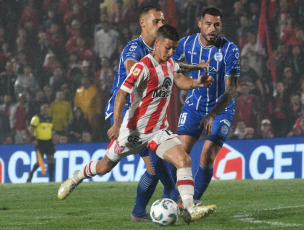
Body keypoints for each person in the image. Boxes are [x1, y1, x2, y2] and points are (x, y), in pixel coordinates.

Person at [58, 25, 216, 224]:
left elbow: (180, 72)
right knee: (104, 166)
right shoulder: (143, 67)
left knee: (184, 161)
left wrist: (197, 81)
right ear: (156, 43)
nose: (171, 53)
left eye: (174, 48)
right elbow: (121, 94)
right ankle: (76, 177)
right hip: (133, 132)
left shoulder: (169, 63)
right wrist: (116, 125)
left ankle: (190, 209)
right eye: (168, 48)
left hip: (158, 131)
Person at [102, 5, 208, 221]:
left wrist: (195, 77)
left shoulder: (165, 49)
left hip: (148, 117)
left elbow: (175, 73)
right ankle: (171, 199)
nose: (161, 24)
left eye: (162, 20)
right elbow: (134, 69)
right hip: (126, 114)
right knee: (154, 166)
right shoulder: (134, 48)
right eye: (156, 21)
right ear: (143, 23)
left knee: (157, 166)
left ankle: (143, 211)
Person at [170, 7, 240, 202]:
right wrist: (189, 71)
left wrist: (212, 115)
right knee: (180, 155)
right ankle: (170, 199)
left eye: (216, 25)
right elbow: (171, 65)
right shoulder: (186, 43)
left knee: (207, 155)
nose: (212, 29)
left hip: (221, 110)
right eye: (208, 24)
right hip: (193, 107)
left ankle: (191, 203)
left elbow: (231, 90)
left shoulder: (229, 49)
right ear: (200, 24)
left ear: (221, 26)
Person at [27, 103, 55, 182]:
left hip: (48, 141)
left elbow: (51, 132)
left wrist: (53, 144)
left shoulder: (50, 119)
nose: (46, 109)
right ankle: (31, 174)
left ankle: (51, 179)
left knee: (51, 159)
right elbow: (31, 128)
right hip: (40, 142)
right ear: (41, 109)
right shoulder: (37, 118)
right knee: (40, 161)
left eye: (47, 107)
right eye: (44, 107)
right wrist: (33, 139)